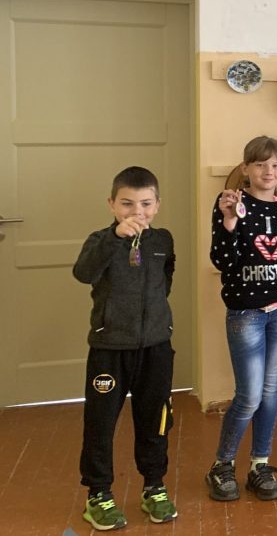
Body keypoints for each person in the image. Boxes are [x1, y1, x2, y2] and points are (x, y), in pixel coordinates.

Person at [74, 166, 178, 530]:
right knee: (100, 423)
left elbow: (165, 281)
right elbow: (83, 273)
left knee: (155, 420)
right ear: (112, 204)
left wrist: (155, 322)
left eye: (146, 203)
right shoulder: (100, 240)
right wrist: (114, 239)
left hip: (156, 347)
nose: (138, 211)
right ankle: (98, 493)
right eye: (127, 204)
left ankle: (154, 486)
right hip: (110, 349)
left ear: (157, 204)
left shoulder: (163, 240)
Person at [206, 137, 277, 503]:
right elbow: (222, 261)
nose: (269, 171)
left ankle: (260, 464)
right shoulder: (230, 205)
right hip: (246, 314)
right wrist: (230, 222)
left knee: (270, 392)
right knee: (248, 395)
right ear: (246, 168)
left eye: (276, 165)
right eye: (261, 164)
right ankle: (222, 465)